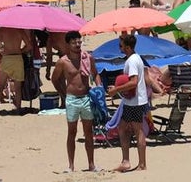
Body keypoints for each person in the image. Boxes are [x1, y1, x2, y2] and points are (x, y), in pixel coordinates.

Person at [50, 30, 98, 173]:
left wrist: (99, 89)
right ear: (68, 44)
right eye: (74, 42)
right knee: (72, 132)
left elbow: (95, 74)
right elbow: (55, 79)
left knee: (88, 132)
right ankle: (71, 165)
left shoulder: (87, 58)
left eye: (79, 41)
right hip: (72, 99)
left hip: (86, 98)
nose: (77, 44)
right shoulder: (63, 62)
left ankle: (91, 164)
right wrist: (63, 95)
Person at [108, 32, 148, 173]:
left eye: (121, 46)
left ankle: (141, 164)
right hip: (134, 101)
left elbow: (133, 82)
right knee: (123, 128)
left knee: (138, 131)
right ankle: (126, 161)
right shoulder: (136, 58)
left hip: (135, 102)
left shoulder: (131, 61)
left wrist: (115, 90)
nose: (120, 48)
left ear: (128, 47)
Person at [0, 27, 29, 114]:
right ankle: (18, 109)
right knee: (18, 87)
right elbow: (29, 46)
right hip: (17, 58)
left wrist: (0, 54)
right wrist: (20, 51)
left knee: (1, 85)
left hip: (7, 58)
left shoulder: (3, 30)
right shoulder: (20, 30)